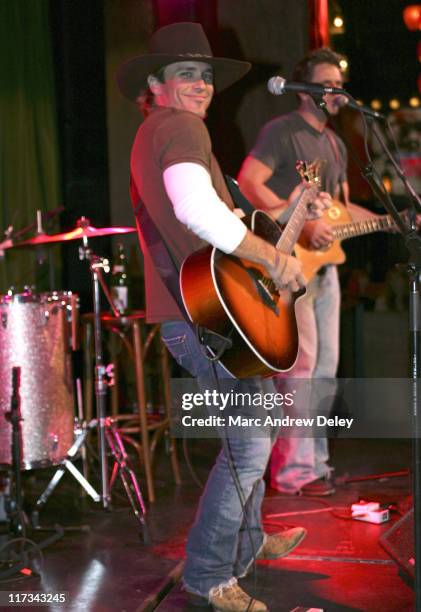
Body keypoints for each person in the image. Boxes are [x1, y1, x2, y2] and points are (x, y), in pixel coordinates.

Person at [117, 22, 333, 612]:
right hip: (202, 317)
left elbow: (233, 219)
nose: (201, 84)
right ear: (156, 84)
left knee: (249, 437)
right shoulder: (179, 127)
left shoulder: (162, 133)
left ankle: (249, 538)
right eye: (186, 73)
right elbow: (195, 209)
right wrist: (273, 261)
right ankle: (210, 575)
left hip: (211, 313)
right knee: (247, 445)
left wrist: (293, 212)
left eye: (207, 75)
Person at [238, 47, 378, 497]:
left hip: (326, 268)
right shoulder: (282, 131)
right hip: (290, 265)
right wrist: (298, 227)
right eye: (326, 84)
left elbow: (338, 207)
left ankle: (314, 464)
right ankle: (292, 473)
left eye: (339, 84)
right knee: (301, 367)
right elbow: (248, 182)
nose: (336, 91)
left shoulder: (335, 143)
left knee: (327, 367)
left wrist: (392, 220)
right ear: (304, 91)